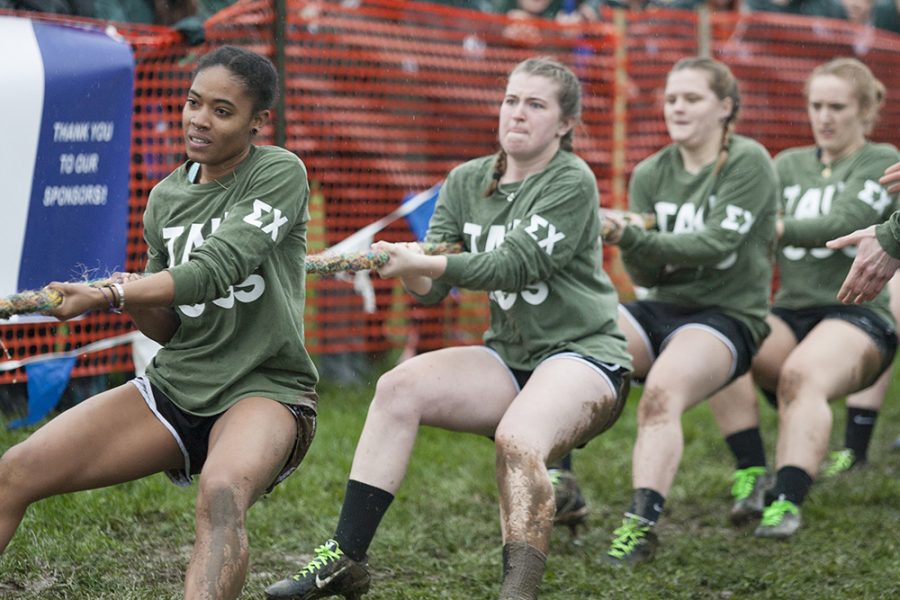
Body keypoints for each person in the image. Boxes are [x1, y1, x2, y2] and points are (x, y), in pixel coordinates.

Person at [265, 56, 632, 600]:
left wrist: (424, 264)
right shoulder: (465, 181)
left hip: (585, 357)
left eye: (536, 105)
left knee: (518, 438)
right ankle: (346, 558)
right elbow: (434, 289)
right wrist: (408, 266)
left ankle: (518, 590)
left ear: (564, 124)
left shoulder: (571, 180)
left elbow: (514, 265)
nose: (518, 113)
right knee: (397, 388)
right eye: (511, 100)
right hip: (510, 357)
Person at [0, 46, 319, 600]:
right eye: (193, 102)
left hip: (267, 388)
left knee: (221, 492)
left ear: (257, 121)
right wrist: (133, 300)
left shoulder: (279, 172)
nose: (199, 119)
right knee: (15, 470)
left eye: (222, 110)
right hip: (177, 385)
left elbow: (217, 270)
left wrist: (108, 293)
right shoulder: (165, 198)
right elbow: (171, 328)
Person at [709, 58, 898, 539]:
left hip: (857, 315)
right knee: (719, 342)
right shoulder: (787, 164)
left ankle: (786, 502)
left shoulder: (879, 159)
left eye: (837, 106)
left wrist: (769, 225)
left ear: (864, 110)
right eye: (816, 105)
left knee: (801, 375)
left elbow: (841, 223)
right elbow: (743, 224)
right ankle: (752, 473)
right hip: (791, 311)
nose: (825, 117)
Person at [599, 56, 778, 565]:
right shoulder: (652, 171)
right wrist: (628, 241)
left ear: (725, 107)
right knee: (576, 345)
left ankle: (640, 527)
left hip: (729, 314)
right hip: (662, 308)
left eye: (692, 98)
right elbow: (648, 276)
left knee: (661, 393)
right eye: (672, 98)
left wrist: (630, 233)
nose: (677, 107)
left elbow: (717, 240)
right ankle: (560, 479)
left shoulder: (748, 161)